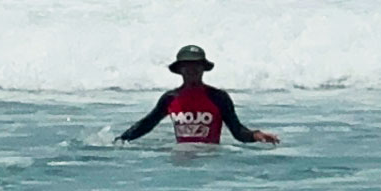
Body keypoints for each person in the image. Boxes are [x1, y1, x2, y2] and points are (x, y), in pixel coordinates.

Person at [115, 46, 280, 146]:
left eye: (196, 66)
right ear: (179, 70)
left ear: (203, 68)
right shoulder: (170, 99)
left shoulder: (218, 97)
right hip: (180, 158)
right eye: (187, 66)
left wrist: (256, 135)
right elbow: (147, 124)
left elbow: (237, 132)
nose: (191, 70)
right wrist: (121, 140)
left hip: (210, 157)